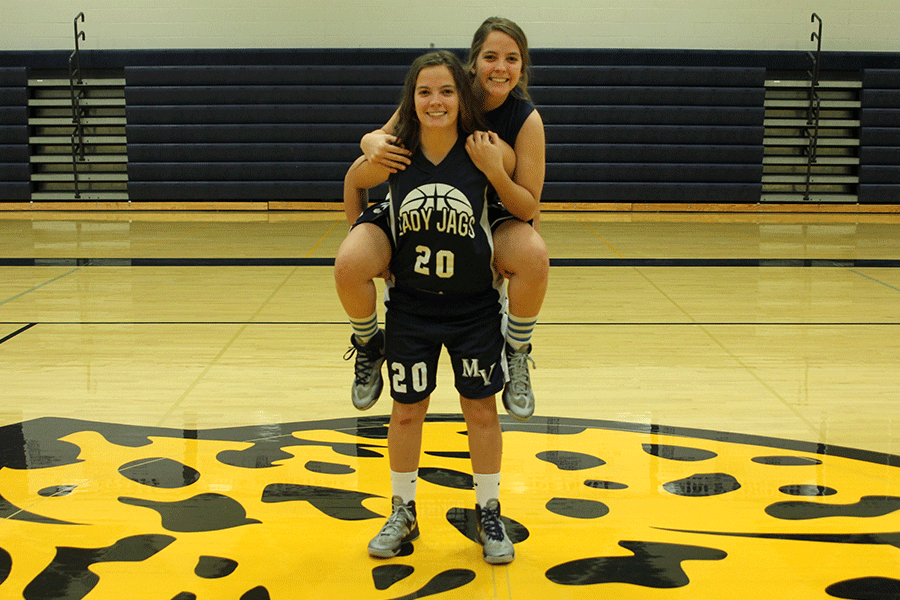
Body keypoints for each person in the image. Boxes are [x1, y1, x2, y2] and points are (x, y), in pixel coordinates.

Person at [338, 50, 517, 564]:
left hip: (475, 306)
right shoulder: (395, 151)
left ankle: (489, 511)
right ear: (410, 101)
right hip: (412, 305)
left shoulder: (485, 150)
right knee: (406, 411)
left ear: (462, 98)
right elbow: (354, 181)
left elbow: (523, 204)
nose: (435, 101)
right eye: (424, 92)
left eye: (446, 91)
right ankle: (403, 510)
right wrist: (367, 237)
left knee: (481, 410)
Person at [335, 17, 549, 422]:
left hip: (490, 207)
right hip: (418, 208)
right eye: (490, 57)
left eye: (511, 59)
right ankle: (368, 343)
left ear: (522, 67)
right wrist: (369, 142)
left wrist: (495, 171)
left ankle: (516, 350)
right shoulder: (442, 92)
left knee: (535, 257)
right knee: (349, 263)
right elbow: (377, 145)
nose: (500, 68)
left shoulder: (525, 121)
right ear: (473, 62)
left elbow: (528, 207)